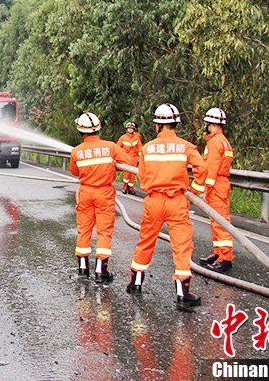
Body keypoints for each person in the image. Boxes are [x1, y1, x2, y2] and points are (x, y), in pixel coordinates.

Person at [127, 103, 206, 311]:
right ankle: (182, 292)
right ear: (175, 124)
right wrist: (195, 190)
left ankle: (136, 282)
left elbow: (142, 177)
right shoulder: (185, 147)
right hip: (177, 201)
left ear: (157, 126)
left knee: (146, 240)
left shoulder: (147, 148)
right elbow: (202, 168)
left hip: (153, 201)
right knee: (181, 244)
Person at [70, 112, 127, 283]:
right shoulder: (110, 147)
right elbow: (128, 161)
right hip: (104, 193)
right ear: (98, 129)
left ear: (80, 131)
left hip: (85, 193)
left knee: (84, 228)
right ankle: (101, 271)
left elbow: (74, 171)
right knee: (104, 230)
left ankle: (82, 268)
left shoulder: (77, 151)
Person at [195, 107, 235, 274]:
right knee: (216, 220)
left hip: (217, 185)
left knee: (220, 222)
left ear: (210, 124)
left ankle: (225, 258)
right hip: (221, 183)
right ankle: (219, 254)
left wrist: (205, 188)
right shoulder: (224, 141)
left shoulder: (214, 142)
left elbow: (211, 168)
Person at [116, 121, 143, 194]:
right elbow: (117, 148)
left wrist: (140, 157)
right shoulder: (123, 138)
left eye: (131, 128)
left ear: (134, 129)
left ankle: (131, 188)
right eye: (129, 128)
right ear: (127, 129)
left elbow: (140, 148)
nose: (130, 130)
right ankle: (125, 186)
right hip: (126, 158)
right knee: (126, 173)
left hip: (134, 158)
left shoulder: (137, 138)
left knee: (132, 174)